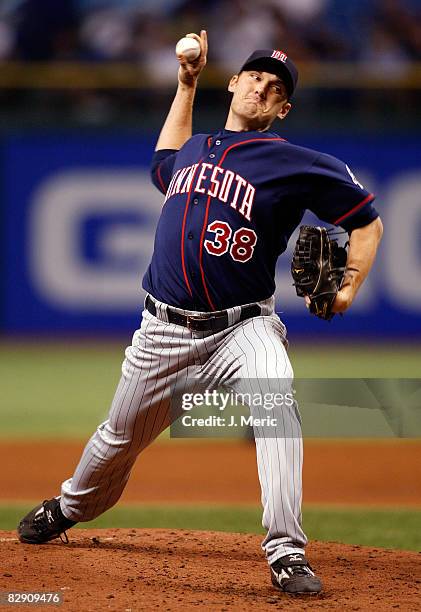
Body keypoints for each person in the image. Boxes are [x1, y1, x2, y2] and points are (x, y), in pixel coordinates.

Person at [17, 31, 383, 596]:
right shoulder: (195, 149)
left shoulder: (293, 161)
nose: (263, 86)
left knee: (276, 403)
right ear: (234, 84)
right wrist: (186, 84)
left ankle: (286, 550)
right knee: (117, 440)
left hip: (244, 327)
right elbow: (165, 160)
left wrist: (347, 287)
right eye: (255, 76)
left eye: (276, 87)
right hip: (161, 332)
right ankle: (68, 506)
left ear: (282, 109)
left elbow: (367, 221)